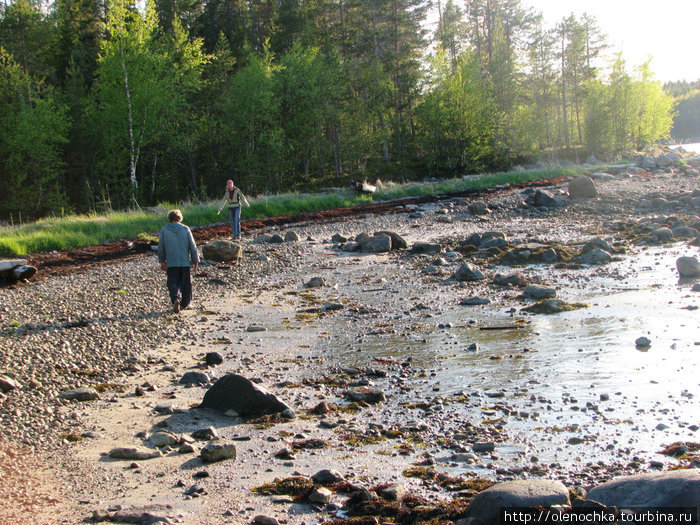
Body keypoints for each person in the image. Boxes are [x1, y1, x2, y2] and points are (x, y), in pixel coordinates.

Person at [157, 209, 199, 313]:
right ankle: (185, 303)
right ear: (179, 218)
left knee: (172, 282)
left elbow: (161, 247)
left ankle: (176, 299)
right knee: (186, 284)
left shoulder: (164, 230)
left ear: (169, 218)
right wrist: (195, 259)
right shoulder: (185, 229)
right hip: (184, 262)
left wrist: (162, 261)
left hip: (171, 262)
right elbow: (192, 246)